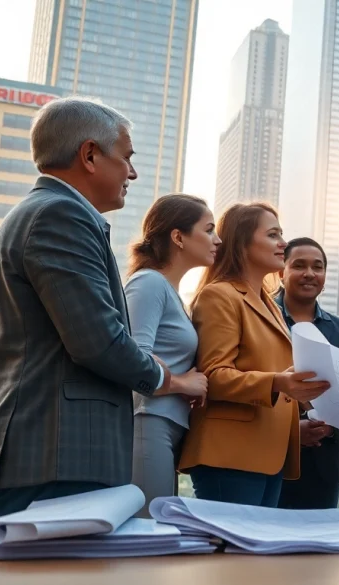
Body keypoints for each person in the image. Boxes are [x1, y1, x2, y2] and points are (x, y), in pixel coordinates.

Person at [0, 97, 172, 520]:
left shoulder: (39, 213)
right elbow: (97, 341)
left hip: (46, 456)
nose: (133, 173)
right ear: (89, 154)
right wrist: (163, 376)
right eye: (126, 158)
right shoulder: (61, 215)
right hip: (54, 458)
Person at [178, 203, 329, 507]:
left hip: (268, 453)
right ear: (242, 243)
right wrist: (279, 382)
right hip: (230, 454)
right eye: (273, 235)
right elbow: (214, 377)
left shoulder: (270, 304)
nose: (283, 244)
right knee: (230, 555)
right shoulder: (219, 295)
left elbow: (275, 376)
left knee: (252, 555)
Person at [126, 194, 219, 517]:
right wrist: (182, 383)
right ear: (178, 237)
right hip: (147, 420)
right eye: (208, 230)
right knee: (147, 531)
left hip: (165, 426)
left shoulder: (173, 295)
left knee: (159, 529)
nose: (216, 240)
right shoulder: (148, 283)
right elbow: (131, 360)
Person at [275, 237, 339, 510]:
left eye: (318, 267)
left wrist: (327, 427)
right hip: (271, 455)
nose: (310, 273)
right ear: (281, 272)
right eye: (299, 265)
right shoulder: (260, 316)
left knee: (317, 548)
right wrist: (292, 431)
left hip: (325, 459)